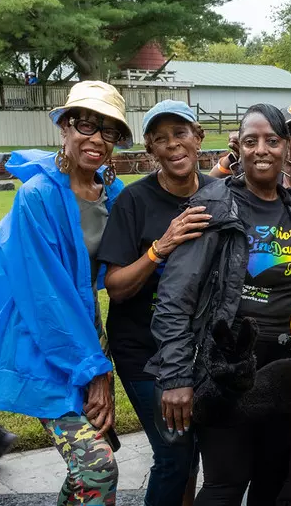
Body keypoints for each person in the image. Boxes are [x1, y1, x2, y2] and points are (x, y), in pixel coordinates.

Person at [149, 103, 291, 505]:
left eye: (272, 141)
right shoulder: (215, 205)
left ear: (286, 147)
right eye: (251, 141)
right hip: (229, 369)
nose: (262, 150)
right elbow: (173, 298)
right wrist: (175, 378)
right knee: (227, 481)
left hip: (288, 367)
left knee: (275, 476)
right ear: (237, 146)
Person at [0, 81, 133, 504]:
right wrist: (94, 370)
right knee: (97, 466)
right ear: (65, 127)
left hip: (84, 336)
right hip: (44, 341)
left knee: (88, 467)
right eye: (87, 125)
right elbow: (46, 294)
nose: (97, 139)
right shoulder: (38, 196)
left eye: (110, 132)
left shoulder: (111, 192)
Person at [98, 100, 215, 506]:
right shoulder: (134, 202)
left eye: (181, 134)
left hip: (199, 349)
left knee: (191, 450)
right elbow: (115, 286)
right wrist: (159, 249)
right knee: (173, 454)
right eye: (160, 139)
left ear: (198, 138)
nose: (173, 146)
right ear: (150, 150)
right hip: (144, 351)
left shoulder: (219, 196)